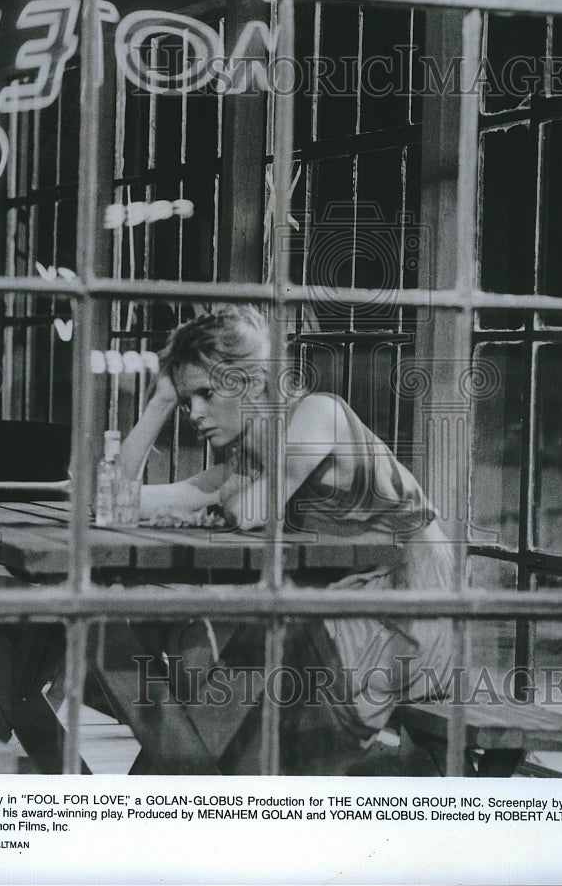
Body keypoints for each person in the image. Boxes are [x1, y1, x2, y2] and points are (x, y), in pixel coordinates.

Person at [117, 304, 455, 774]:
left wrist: (217, 493)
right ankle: (196, 770)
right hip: (340, 605)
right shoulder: (246, 463)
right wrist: (159, 402)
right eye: (187, 399)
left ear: (249, 383)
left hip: (406, 614)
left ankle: (195, 777)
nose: (193, 413)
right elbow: (122, 499)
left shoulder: (319, 414)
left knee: (237, 651)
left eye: (205, 394)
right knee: (191, 640)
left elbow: (254, 511)